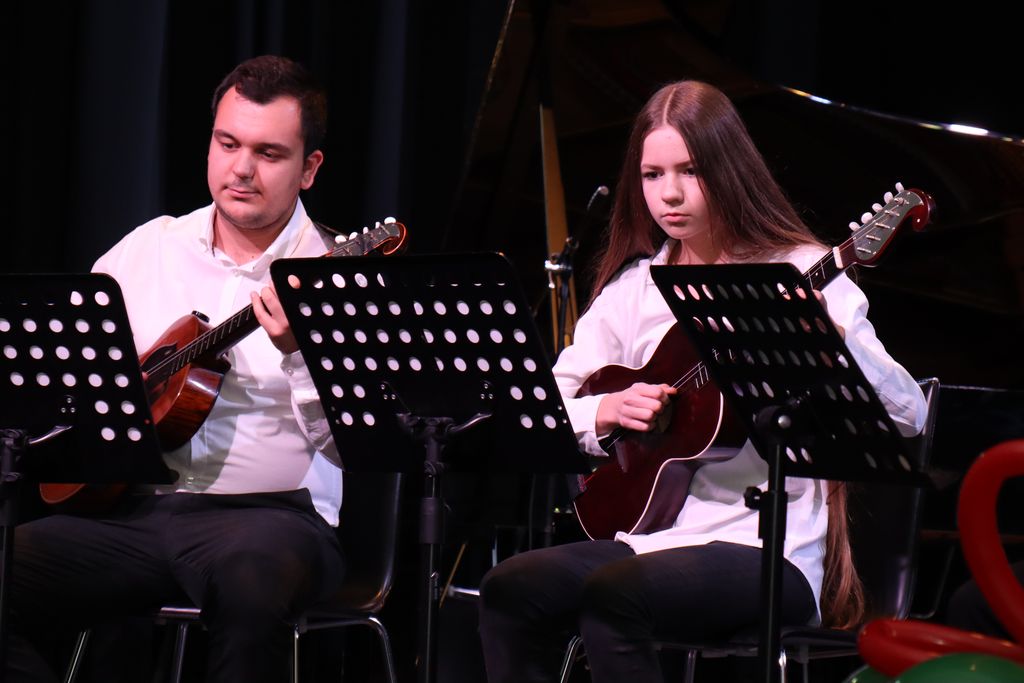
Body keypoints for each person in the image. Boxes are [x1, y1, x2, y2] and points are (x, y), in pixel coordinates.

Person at [477, 80, 928, 683]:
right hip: (650, 539)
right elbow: (544, 401)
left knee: (616, 598)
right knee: (509, 588)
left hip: (767, 548)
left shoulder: (798, 270)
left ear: (729, 170)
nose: (669, 193)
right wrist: (606, 409)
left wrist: (832, 340)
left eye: (690, 170)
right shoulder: (636, 289)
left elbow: (908, 416)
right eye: (652, 174)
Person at [9, 55, 346, 683]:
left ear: (309, 168)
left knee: (253, 584)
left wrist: (299, 354)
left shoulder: (333, 274)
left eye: (269, 153)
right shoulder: (149, 248)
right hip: (132, 514)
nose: (241, 169)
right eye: (228, 143)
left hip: (273, 519)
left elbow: (353, 447)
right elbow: (76, 383)